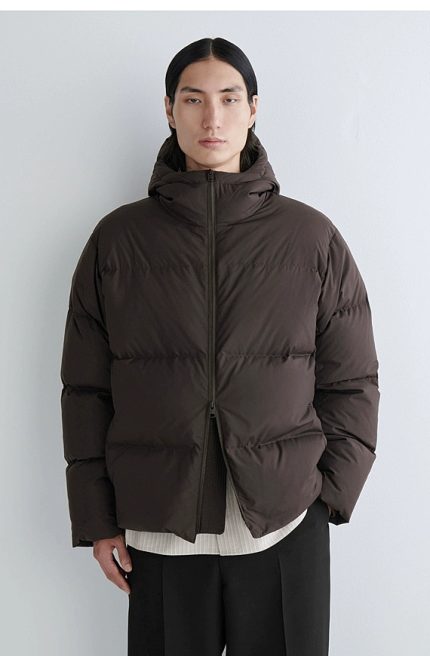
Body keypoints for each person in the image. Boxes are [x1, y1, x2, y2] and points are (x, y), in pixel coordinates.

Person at [60, 37, 380, 656]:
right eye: (193, 99)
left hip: (286, 526)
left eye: (230, 99)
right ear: (169, 109)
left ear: (253, 109)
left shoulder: (309, 238)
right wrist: (97, 519)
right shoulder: (117, 241)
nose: (212, 117)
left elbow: (352, 381)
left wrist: (325, 500)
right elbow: (86, 390)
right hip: (159, 533)